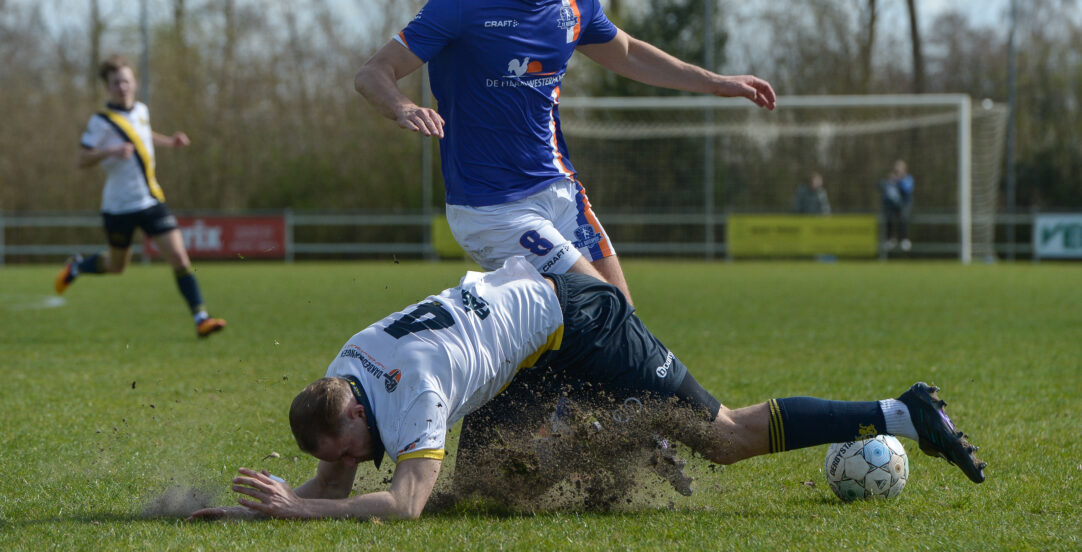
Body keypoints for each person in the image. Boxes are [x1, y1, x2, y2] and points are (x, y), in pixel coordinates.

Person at [188, 256, 985, 522]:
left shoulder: (414, 389)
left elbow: (401, 507)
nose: (351, 459)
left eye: (353, 444)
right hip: (523, 346)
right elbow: (330, 477)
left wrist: (301, 510)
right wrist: (263, 512)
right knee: (492, 493)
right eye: (345, 451)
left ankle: (900, 412)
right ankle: (623, 433)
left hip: (582, 321)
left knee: (727, 436)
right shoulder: (349, 368)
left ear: (358, 409)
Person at [353, 0, 776, 305]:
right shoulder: (463, 1)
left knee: (621, 319)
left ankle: (526, 361)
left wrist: (718, 83)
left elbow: (627, 52)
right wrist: (402, 106)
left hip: (561, 190)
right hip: (490, 206)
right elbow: (372, 73)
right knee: (599, 313)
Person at [53, 54, 226, 338]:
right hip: (118, 207)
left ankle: (201, 318)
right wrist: (111, 151)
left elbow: (143, 133)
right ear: (107, 88)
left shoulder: (142, 111)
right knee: (116, 265)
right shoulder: (101, 122)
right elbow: (81, 159)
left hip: (151, 201)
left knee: (180, 258)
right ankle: (77, 266)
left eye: (126, 80)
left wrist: (170, 141)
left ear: (134, 83)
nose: (122, 86)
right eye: (115, 82)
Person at [879, 159, 915, 252]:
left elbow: (907, 189)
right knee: (888, 216)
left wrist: (898, 181)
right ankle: (891, 239)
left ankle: (904, 239)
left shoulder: (908, 178)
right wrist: (889, 182)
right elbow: (883, 188)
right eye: (896, 170)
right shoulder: (892, 180)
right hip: (895, 205)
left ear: (904, 170)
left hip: (905, 204)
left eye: (899, 170)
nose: (897, 172)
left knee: (903, 217)